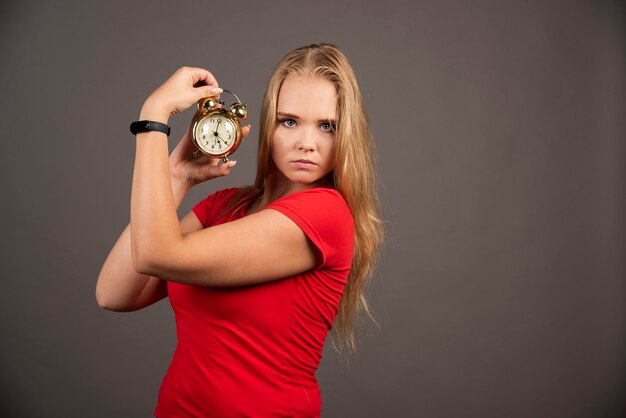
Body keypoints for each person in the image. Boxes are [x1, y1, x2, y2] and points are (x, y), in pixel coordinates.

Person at [96, 43, 384, 417]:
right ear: (269, 125)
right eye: (289, 121)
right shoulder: (226, 205)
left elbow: (156, 253)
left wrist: (153, 117)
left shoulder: (325, 215)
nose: (307, 143)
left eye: (327, 126)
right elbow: (115, 292)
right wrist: (176, 176)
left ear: (346, 134)